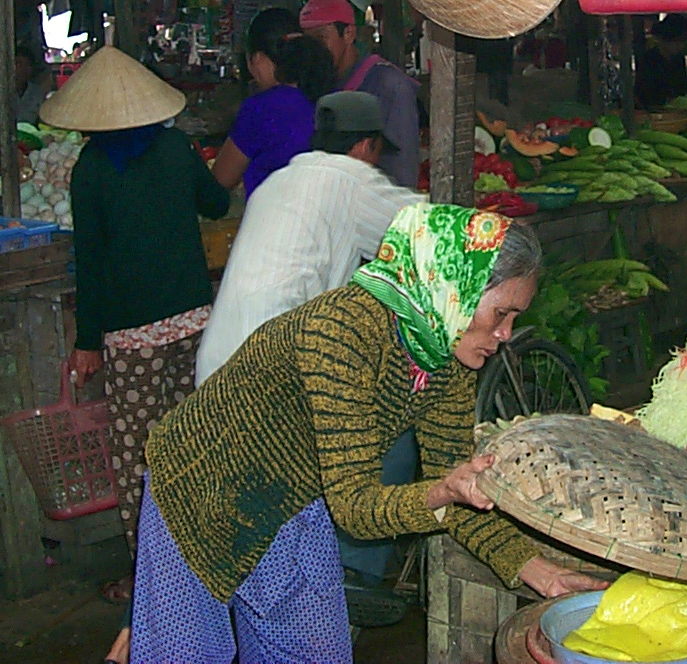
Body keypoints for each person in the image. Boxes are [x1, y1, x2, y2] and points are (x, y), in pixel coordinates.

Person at [129, 203, 605, 663]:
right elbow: (359, 510)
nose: (505, 333)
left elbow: (458, 491)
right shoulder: (341, 334)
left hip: (295, 499)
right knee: (187, 654)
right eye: (501, 312)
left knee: (316, 655)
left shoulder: (443, 355)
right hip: (197, 491)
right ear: (453, 286)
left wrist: (539, 572)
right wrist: (440, 492)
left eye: (515, 317)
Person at [37, 46, 230, 657]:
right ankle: (214, 561)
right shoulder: (175, 149)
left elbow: (89, 262)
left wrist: (87, 341)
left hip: (133, 337)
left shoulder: (91, 169)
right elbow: (216, 204)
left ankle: (154, 579)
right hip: (194, 322)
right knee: (195, 441)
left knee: (138, 458)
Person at [195, 90, 422, 382]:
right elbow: (429, 229)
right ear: (366, 146)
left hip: (218, 362)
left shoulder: (278, 180)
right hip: (269, 369)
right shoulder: (351, 179)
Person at [300, 0, 421, 189]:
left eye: (321, 38)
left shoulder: (388, 84)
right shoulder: (318, 81)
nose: (313, 50)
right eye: (308, 41)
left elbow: (402, 170)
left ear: (348, 34)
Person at [212, 7, 335, 198]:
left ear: (258, 59)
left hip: (273, 222)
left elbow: (221, 179)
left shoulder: (261, 108)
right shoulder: (327, 94)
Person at [635, 14, 687, 110]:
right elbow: (644, 94)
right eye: (677, 41)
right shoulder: (649, 60)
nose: (680, 46)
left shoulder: (678, 59)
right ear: (665, 39)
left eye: (683, 41)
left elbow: (683, 88)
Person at [14, 44, 50, 123]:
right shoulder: (4, 91)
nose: (23, 69)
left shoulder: (37, 93)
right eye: (19, 64)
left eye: (28, 65)